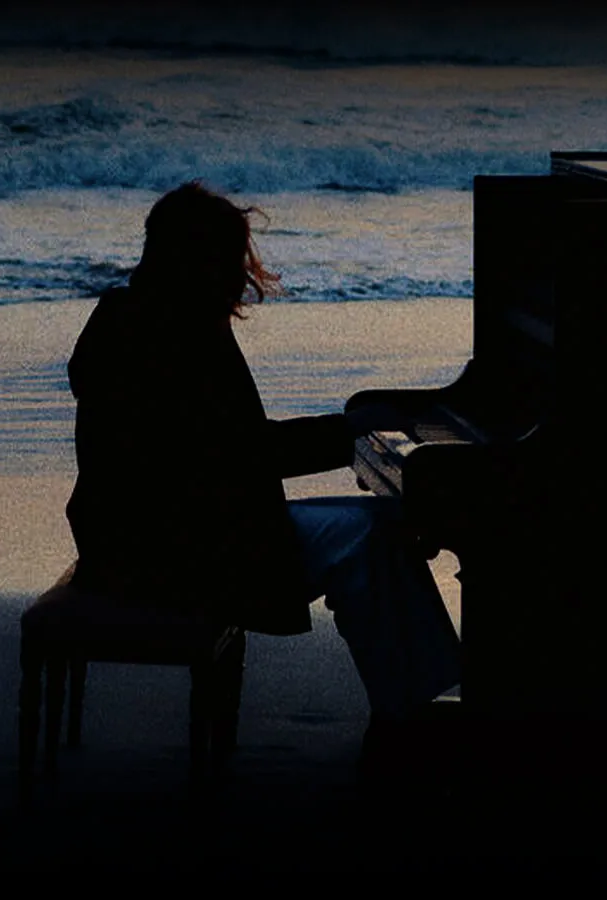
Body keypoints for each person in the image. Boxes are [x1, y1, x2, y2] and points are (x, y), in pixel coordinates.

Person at [58, 180, 463, 733]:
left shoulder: (131, 316)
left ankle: (418, 701)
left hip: (137, 534)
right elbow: (245, 453)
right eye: (228, 258)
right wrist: (347, 433)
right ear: (201, 260)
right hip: (174, 551)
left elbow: (225, 450)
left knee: (381, 524)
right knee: (372, 535)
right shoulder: (177, 333)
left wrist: (345, 433)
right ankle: (415, 712)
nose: (239, 273)